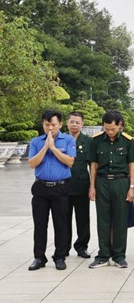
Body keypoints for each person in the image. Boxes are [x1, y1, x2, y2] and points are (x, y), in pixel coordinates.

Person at [88, 111, 134, 268]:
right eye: (106, 129)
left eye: (112, 129)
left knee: (120, 220)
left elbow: (131, 165)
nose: (109, 132)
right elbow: (93, 165)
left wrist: (132, 187)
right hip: (102, 182)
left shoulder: (128, 141)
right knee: (103, 220)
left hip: (121, 183)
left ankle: (119, 255)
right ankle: (103, 255)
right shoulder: (96, 140)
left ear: (120, 125)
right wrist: (92, 186)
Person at [27, 110, 76, 271]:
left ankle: (60, 256)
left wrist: (53, 148)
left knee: (61, 224)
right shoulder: (36, 141)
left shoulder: (68, 140)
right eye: (47, 125)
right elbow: (32, 163)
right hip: (40, 187)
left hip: (60, 187)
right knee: (40, 224)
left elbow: (70, 161)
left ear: (60, 124)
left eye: (53, 125)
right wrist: (45, 147)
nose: (50, 128)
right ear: (43, 124)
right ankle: (39, 257)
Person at [65, 111, 92, 259]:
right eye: (72, 122)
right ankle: (64, 246)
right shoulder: (60, 139)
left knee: (83, 219)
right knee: (64, 218)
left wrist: (92, 186)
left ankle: (82, 246)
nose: (74, 125)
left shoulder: (88, 141)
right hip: (63, 185)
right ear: (67, 123)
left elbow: (92, 165)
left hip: (82, 186)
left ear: (82, 124)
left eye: (78, 122)